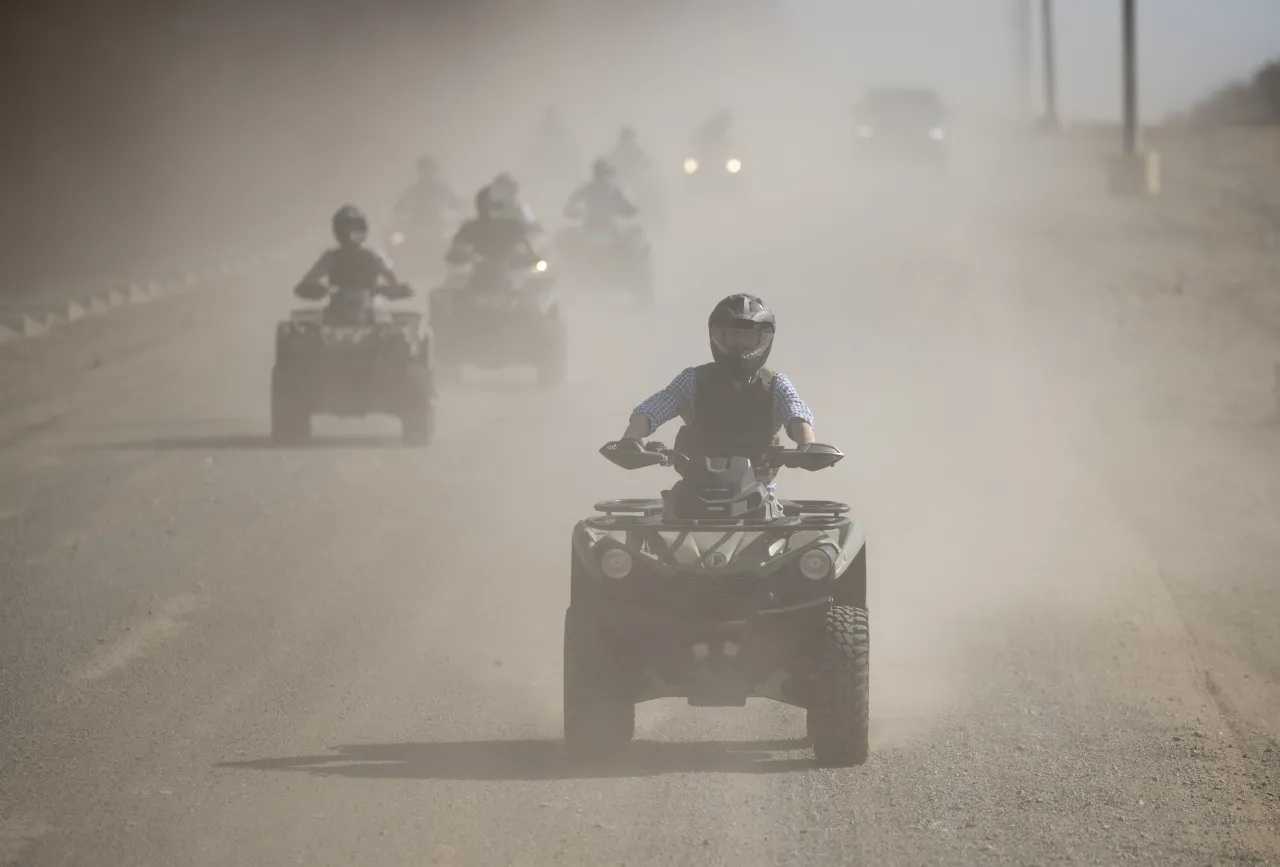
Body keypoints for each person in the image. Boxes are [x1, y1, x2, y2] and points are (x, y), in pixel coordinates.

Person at [617, 294, 816, 490]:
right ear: (718, 337)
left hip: (760, 497)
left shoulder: (775, 384)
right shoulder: (693, 380)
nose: (740, 348)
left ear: (763, 340)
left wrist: (808, 445)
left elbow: (795, 411)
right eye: (733, 338)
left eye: (748, 338)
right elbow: (656, 406)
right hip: (693, 495)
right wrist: (631, 439)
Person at [296, 205, 404, 296]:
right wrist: (318, 290)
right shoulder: (330, 258)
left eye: (355, 229)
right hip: (336, 312)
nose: (350, 234)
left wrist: (390, 290)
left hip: (370, 312)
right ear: (338, 231)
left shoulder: (373, 257)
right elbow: (306, 283)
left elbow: (394, 283)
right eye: (345, 229)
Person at [445, 186, 541, 272]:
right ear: (480, 206)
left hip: (510, 274)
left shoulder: (514, 226)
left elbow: (527, 248)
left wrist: (530, 259)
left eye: (496, 206)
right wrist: (464, 257)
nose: (491, 210)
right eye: (486, 206)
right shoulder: (470, 228)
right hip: (477, 276)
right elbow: (455, 250)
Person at [564, 158, 638, 233]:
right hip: (591, 230)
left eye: (602, 173)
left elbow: (628, 208)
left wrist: (629, 210)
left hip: (609, 230)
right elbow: (572, 202)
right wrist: (574, 211)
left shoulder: (613, 191)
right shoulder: (588, 189)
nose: (599, 176)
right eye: (598, 173)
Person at [392, 155, 461, 227]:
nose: (426, 171)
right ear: (419, 170)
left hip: (437, 224)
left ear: (434, 170)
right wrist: (399, 208)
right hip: (415, 223)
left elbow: (453, 200)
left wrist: (459, 205)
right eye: (423, 168)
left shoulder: (441, 187)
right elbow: (401, 204)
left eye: (429, 168)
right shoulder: (414, 189)